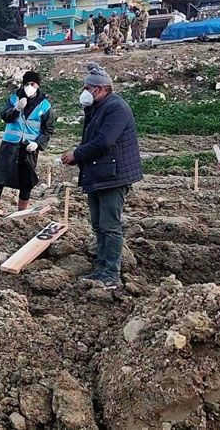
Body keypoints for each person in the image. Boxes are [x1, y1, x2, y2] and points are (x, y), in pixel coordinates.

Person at [60, 62, 143, 290]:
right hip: (100, 174)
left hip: (113, 175)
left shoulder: (117, 108)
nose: (84, 92)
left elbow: (104, 141)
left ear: (102, 89)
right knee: (98, 224)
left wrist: (77, 155)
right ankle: (101, 266)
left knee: (109, 225)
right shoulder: (97, 108)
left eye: (88, 87)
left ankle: (110, 273)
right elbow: (92, 138)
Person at [0, 71, 55, 211]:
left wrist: (37, 143)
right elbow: (5, 116)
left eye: (32, 84)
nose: (29, 87)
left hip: (28, 147)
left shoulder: (44, 105)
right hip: (10, 143)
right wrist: (15, 109)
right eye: (26, 84)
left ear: (38, 85)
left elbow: (47, 130)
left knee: (26, 180)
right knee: (0, 177)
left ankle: (22, 212)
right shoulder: (14, 98)